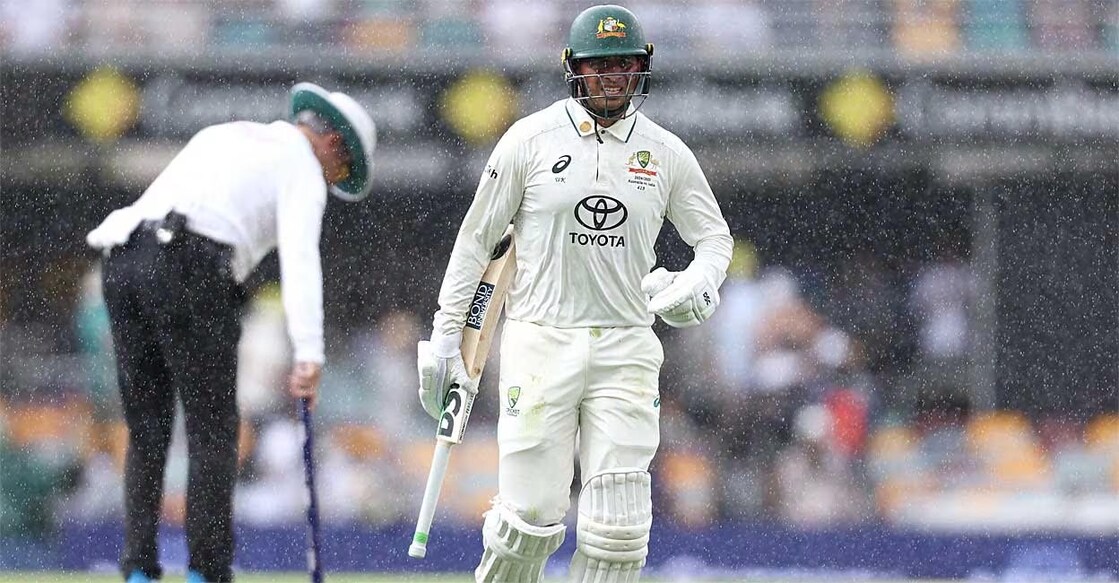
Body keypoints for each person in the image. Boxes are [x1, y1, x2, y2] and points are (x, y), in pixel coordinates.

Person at [416, 5, 732, 580]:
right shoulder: (529, 140)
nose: (613, 77)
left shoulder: (665, 153)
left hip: (627, 346)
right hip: (540, 341)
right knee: (528, 523)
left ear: (642, 70)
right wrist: (445, 337)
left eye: (625, 65)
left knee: (620, 532)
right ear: (574, 69)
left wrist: (698, 281)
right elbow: (476, 242)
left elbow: (714, 240)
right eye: (600, 65)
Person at [85, 82, 376, 583]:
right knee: (214, 430)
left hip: (123, 262)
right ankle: (207, 572)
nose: (334, 182)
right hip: (190, 264)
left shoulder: (225, 134)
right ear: (334, 145)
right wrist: (309, 353)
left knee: (148, 428)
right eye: (343, 171)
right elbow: (301, 259)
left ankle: (137, 569)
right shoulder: (303, 166)